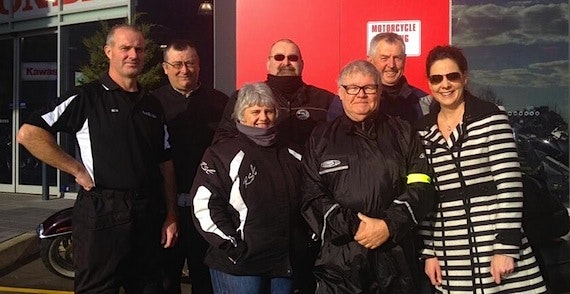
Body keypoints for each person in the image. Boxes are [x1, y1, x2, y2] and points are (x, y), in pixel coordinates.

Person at [16, 24, 178, 293]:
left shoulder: (152, 105)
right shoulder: (86, 97)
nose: (133, 54)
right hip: (102, 212)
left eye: (139, 49)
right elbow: (29, 133)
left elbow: (166, 163)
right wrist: (75, 168)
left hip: (148, 213)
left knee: (150, 288)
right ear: (108, 51)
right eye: (125, 48)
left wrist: (171, 214)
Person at [415, 45, 547, 293]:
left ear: (464, 77)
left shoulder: (490, 117)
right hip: (449, 254)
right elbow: (424, 195)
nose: (445, 84)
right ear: (429, 83)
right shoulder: (421, 131)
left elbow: (510, 184)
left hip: (493, 245)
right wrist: (429, 251)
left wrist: (506, 247)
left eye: (452, 76)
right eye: (437, 78)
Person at [301, 60, 436, 293]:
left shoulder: (403, 132)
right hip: (340, 264)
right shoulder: (320, 137)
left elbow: (422, 185)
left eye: (369, 88)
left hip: (395, 260)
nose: (360, 94)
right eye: (352, 88)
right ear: (340, 92)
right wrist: (355, 227)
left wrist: (389, 224)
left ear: (380, 91)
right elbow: (311, 195)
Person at [191, 82, 306, 294]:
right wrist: (231, 245)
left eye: (268, 111)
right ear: (240, 116)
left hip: (283, 263)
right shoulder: (221, 154)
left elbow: (309, 199)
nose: (263, 117)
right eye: (255, 111)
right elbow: (204, 205)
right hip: (240, 265)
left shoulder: (293, 153)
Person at [153, 39, 228, 294]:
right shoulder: (151, 104)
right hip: (164, 210)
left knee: (206, 281)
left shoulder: (220, 103)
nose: (184, 70)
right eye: (177, 64)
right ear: (165, 68)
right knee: (165, 280)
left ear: (199, 66)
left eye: (190, 63)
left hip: (208, 210)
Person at [213, 38, 334, 149]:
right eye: (279, 57)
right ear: (268, 63)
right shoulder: (243, 97)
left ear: (302, 64)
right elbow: (223, 139)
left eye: (293, 58)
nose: (286, 63)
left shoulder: (325, 100)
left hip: (309, 170)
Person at [327, 32, 433, 123]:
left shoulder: (422, 100)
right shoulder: (349, 98)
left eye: (397, 58)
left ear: (405, 60)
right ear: (370, 60)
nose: (391, 65)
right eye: (384, 58)